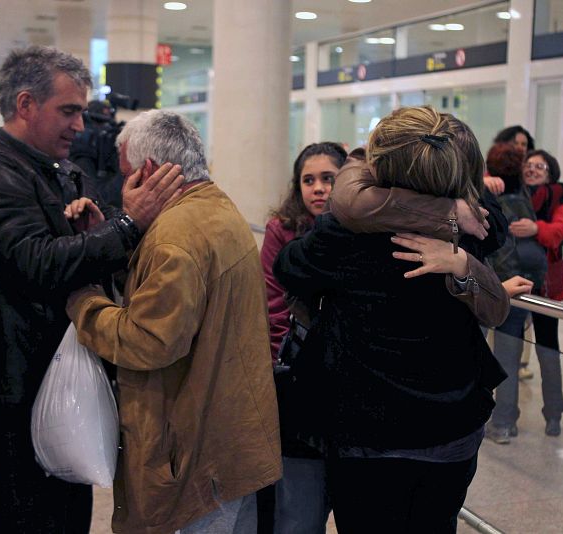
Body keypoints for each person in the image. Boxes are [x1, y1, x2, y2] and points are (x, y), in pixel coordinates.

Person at [0, 45, 184, 534]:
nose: (80, 126)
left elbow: (68, 259)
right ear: (25, 104)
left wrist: (97, 234)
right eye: (69, 111)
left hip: (61, 378)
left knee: (67, 513)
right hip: (15, 391)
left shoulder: (59, 172)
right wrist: (125, 225)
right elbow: (35, 265)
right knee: (26, 515)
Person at [273, 106, 509, 533]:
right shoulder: (473, 225)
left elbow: (289, 266)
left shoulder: (341, 236)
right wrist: (446, 212)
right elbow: (495, 226)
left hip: (365, 431)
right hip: (452, 421)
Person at [67, 110, 282, 534]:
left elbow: (146, 340)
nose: (122, 184)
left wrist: (84, 300)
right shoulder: (214, 208)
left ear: (149, 171)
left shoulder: (174, 237)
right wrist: (116, 241)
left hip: (195, 457)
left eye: (128, 174)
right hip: (228, 443)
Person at [259, 141, 346, 534]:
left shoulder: (360, 226)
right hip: (296, 373)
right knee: (298, 508)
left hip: (348, 381)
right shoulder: (283, 228)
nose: (317, 188)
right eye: (308, 180)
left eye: (328, 178)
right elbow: (273, 301)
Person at [483, 143, 549, 444]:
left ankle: (474, 416)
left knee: (473, 353)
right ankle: (504, 423)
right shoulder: (525, 199)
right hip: (520, 286)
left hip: (487, 287)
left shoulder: (482, 196)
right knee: (508, 358)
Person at [510, 149, 563, 436]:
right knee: (509, 350)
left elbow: (559, 232)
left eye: (540, 166)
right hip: (515, 283)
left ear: (550, 173)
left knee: (548, 351)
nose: (533, 169)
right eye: (529, 165)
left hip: (547, 288)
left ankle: (554, 414)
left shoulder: (558, 199)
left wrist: (535, 228)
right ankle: (505, 415)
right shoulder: (511, 194)